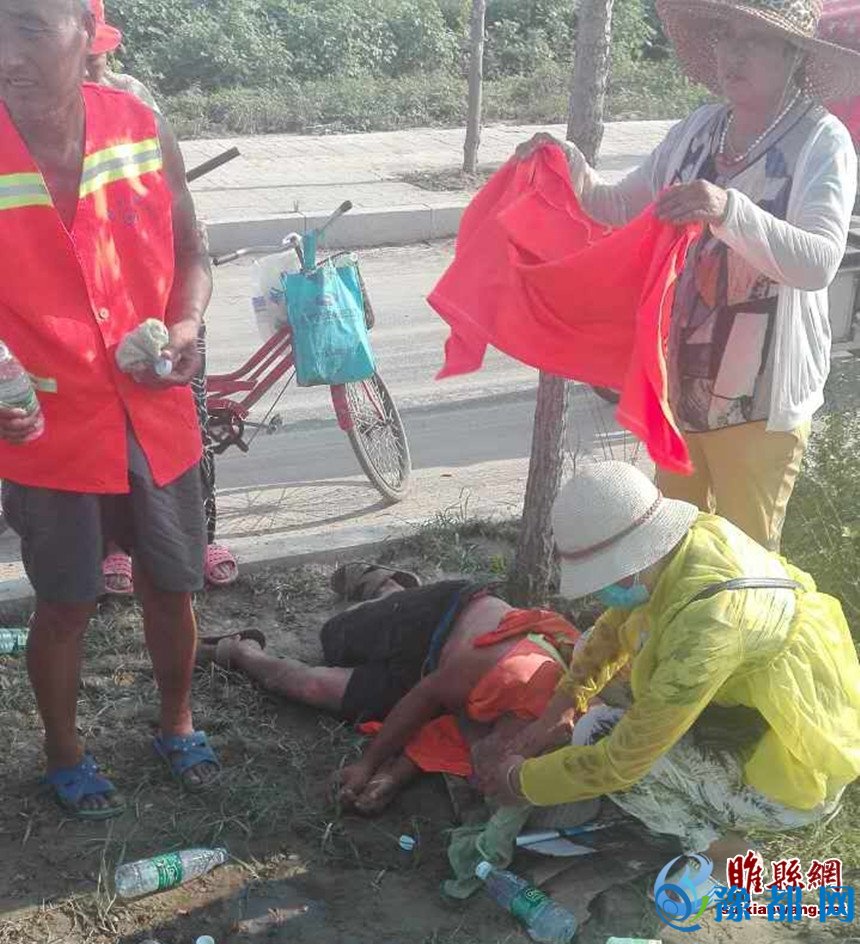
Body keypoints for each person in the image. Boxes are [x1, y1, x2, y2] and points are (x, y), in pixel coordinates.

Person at [516, 0, 860, 551]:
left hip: (759, 405)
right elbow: (620, 205)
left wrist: (728, 209)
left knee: (745, 565)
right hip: (681, 391)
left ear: (794, 54)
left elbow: (817, 262)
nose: (734, 53)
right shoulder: (700, 129)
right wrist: (568, 163)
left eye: (755, 38)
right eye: (726, 36)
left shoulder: (821, 141)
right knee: (671, 550)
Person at [0, 0, 222, 818]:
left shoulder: (141, 129)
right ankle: (65, 753)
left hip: (153, 409)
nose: (5, 54)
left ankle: (177, 723)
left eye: (27, 26)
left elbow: (193, 252)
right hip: (47, 430)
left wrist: (187, 324)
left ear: (86, 34)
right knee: (65, 602)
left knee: (172, 584)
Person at [476, 462, 860, 882]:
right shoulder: (690, 542)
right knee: (590, 649)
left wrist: (520, 780)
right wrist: (564, 703)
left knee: (601, 737)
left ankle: (723, 851)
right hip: (755, 705)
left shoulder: (711, 623)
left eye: (604, 579)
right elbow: (612, 628)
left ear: (633, 560)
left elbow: (621, 763)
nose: (602, 592)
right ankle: (680, 759)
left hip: (795, 772)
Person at [196, 564, 580, 815]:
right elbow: (427, 698)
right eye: (489, 778)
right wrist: (367, 763)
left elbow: (447, 734)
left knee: (313, 688)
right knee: (334, 638)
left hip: (433, 673)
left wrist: (390, 780)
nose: (482, 783)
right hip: (440, 618)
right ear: (513, 745)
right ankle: (387, 586)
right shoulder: (513, 672)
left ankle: (239, 650)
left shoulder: (537, 738)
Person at [81, 0, 239, 592]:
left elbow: (185, 233)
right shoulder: (30, 122)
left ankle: (202, 533)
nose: (89, 70)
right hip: (90, 323)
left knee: (185, 430)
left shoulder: (136, 103)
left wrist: (185, 322)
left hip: (157, 314)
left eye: (97, 57)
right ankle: (113, 546)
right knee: (103, 443)